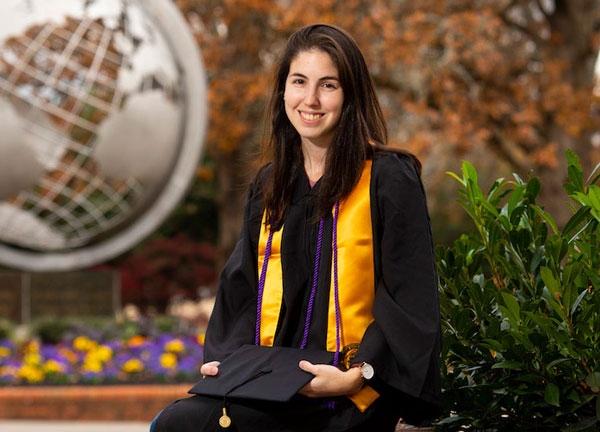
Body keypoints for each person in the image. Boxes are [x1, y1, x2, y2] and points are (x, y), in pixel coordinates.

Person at [152, 23, 441, 432]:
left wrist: (359, 374)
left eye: (328, 85)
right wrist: (228, 360)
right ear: (283, 92)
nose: (310, 99)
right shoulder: (271, 185)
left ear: (350, 95)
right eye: (299, 82)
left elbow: (410, 298)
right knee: (176, 423)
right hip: (273, 381)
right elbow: (241, 286)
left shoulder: (388, 178)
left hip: (350, 391)